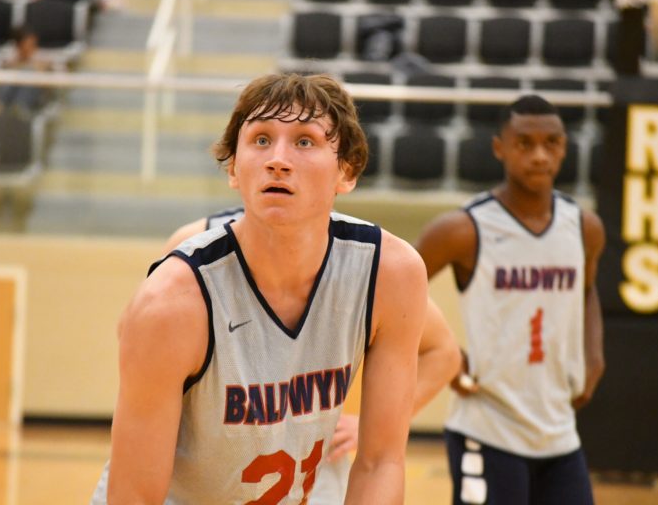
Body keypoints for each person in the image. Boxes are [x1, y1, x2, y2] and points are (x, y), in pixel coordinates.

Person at [92, 72, 435, 504]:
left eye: (305, 141)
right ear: (234, 169)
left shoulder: (391, 272)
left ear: (345, 172)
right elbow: (136, 498)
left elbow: (381, 462)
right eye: (260, 140)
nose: (278, 159)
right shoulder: (173, 302)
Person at [162, 206, 462, 503]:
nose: (280, 161)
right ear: (235, 167)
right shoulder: (194, 245)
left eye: (303, 153)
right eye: (262, 153)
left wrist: (366, 425)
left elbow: (443, 352)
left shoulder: (364, 260)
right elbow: (140, 347)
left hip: (310, 464)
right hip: (201, 469)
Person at [416, 95, 606, 505]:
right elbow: (391, 294)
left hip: (559, 433)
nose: (540, 155)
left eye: (551, 142)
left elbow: (587, 291)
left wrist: (594, 353)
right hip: (487, 429)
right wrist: (444, 351)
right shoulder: (464, 228)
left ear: (564, 147)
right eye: (525, 143)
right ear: (500, 148)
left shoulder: (584, 228)